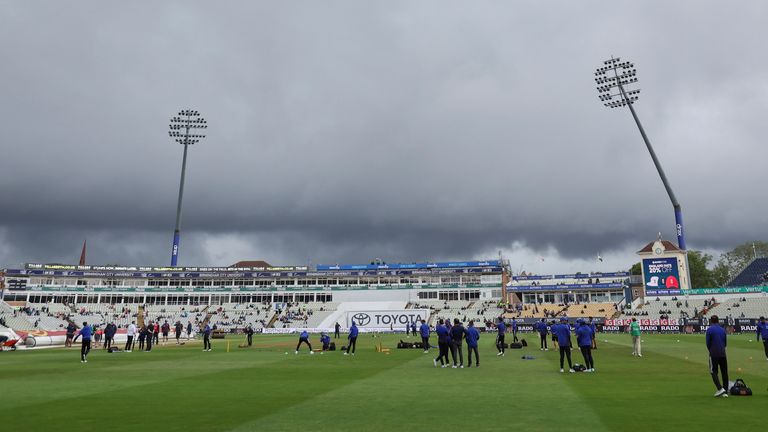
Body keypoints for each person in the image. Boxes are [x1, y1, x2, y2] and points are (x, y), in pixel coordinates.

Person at [706, 315, 729, 397]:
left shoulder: (709, 329)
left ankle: (720, 389)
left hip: (713, 353)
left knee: (713, 371)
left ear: (711, 321)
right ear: (718, 321)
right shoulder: (722, 330)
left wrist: (711, 350)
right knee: (724, 372)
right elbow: (725, 342)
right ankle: (725, 391)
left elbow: (708, 343)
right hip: (722, 353)